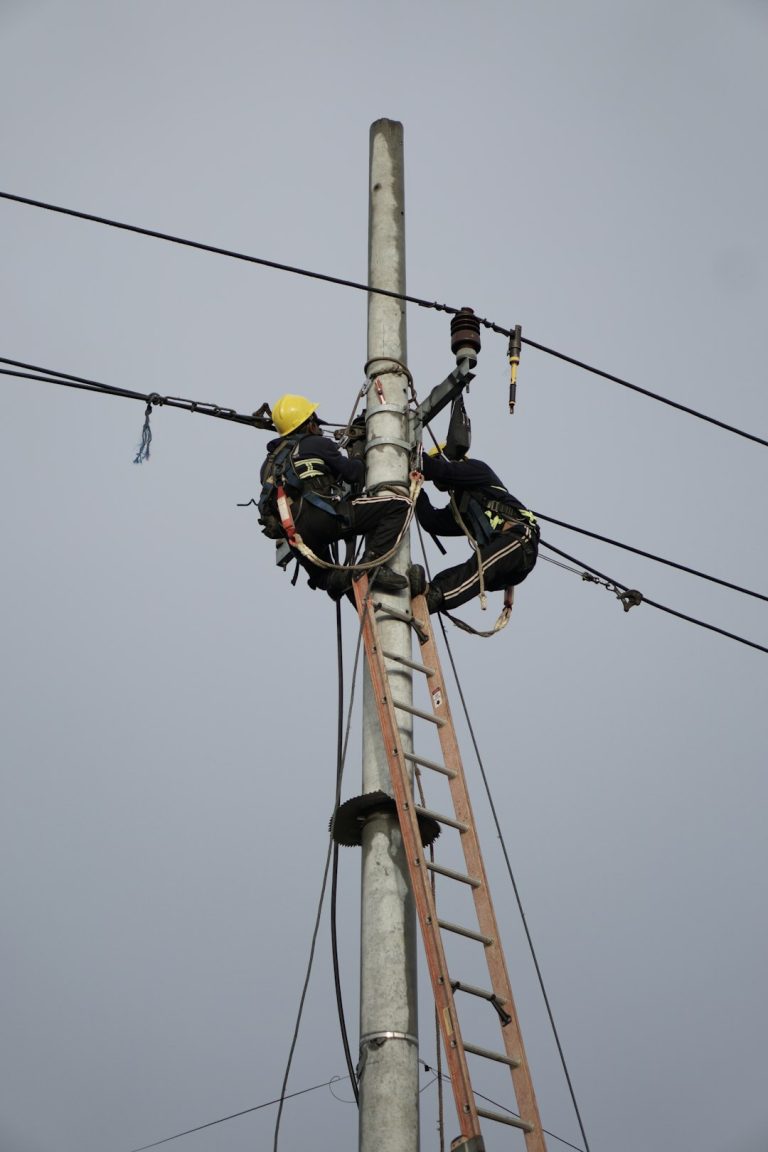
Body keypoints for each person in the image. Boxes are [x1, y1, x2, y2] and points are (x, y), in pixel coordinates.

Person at [259, 393, 409, 597]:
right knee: (400, 504)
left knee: (327, 579)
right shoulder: (315, 443)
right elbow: (354, 474)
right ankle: (372, 564)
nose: (320, 429)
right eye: (317, 424)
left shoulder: (267, 466)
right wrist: (357, 451)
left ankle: (345, 580)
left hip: (296, 535)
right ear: (309, 424)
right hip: (325, 518)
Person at [413, 445, 538, 613]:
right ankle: (429, 593)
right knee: (455, 575)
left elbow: (439, 470)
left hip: (519, 539)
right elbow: (432, 521)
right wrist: (414, 489)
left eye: (439, 459)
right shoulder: (460, 508)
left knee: (478, 569)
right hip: (501, 567)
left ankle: (437, 596)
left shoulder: (478, 470)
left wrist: (411, 455)